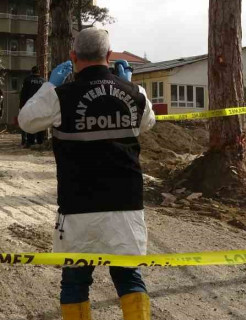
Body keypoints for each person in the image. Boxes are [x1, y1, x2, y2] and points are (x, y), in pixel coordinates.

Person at [19, 28, 155, 320]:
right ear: (109, 56)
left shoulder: (61, 96)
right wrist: (126, 85)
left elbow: (27, 121)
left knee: (75, 283)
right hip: (125, 205)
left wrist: (47, 86)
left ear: (72, 57)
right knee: (129, 278)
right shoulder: (136, 94)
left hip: (79, 206)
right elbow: (147, 123)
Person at [19, 66, 46, 147]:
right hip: (41, 106)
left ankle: (30, 141)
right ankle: (40, 141)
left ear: (32, 72)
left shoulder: (27, 80)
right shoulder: (43, 81)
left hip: (30, 105)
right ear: (39, 72)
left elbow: (23, 94)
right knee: (40, 123)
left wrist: (21, 106)